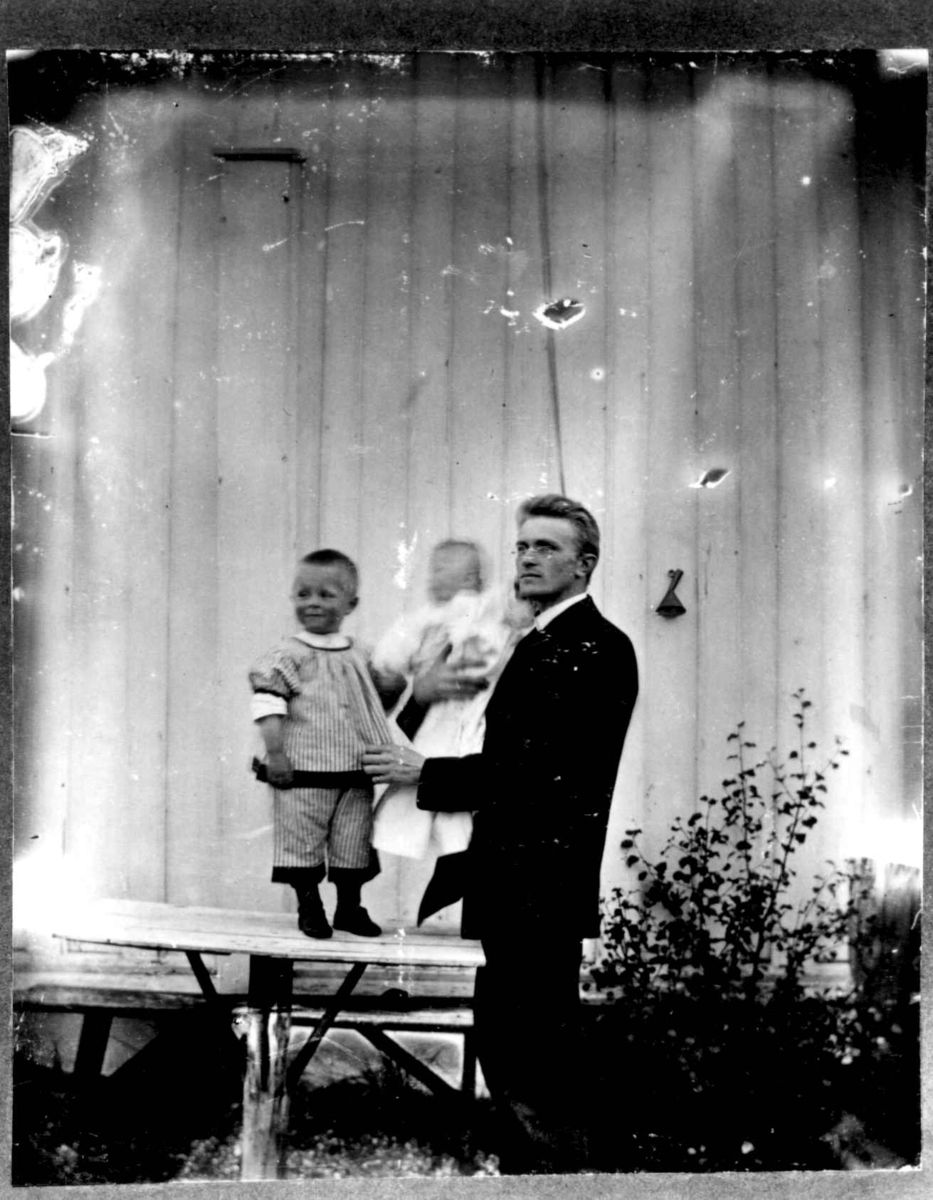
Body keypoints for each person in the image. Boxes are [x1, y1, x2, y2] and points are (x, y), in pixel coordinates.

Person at [362, 494, 639, 1172]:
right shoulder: (531, 641)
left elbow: (543, 773)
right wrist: (423, 696)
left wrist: (424, 773)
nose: (526, 557)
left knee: (534, 1054)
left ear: (584, 564)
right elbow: (480, 737)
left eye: (545, 547)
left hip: (541, 885)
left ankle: (560, 1179)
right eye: (520, 546)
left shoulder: (597, 648)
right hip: (506, 879)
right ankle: (533, 1174)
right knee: (508, 1045)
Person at [248, 548, 396, 940]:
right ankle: (309, 905)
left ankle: (349, 906)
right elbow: (268, 706)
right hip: (303, 772)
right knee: (302, 841)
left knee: (353, 842)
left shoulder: (362, 653)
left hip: (353, 771)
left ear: (351, 603)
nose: (313, 602)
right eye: (303, 594)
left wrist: (399, 676)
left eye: (326, 594)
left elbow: (380, 702)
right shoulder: (287, 655)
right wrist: (276, 755)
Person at [369, 539, 532, 878]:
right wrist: (390, 663)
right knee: (431, 776)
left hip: (480, 703)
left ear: (471, 578)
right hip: (445, 712)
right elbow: (400, 646)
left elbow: (507, 605)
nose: (432, 578)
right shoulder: (428, 617)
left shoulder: (479, 606)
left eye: (442, 569)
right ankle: (450, 853)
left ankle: (458, 855)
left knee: (456, 779)